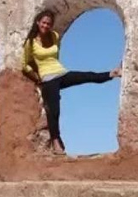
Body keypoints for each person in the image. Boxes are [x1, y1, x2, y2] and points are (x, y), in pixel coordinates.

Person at [22, 10, 121, 153]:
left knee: (86, 76)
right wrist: (37, 78)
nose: (46, 25)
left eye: (48, 24)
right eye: (43, 22)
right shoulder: (30, 43)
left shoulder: (54, 36)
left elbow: (55, 55)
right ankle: (56, 142)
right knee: (54, 111)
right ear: (37, 22)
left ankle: (112, 73)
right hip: (47, 79)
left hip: (61, 72)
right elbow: (25, 64)